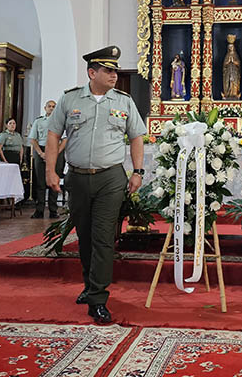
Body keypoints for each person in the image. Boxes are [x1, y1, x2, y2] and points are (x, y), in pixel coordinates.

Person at [46, 45, 146, 324]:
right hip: (77, 177)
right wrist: (51, 171)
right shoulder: (69, 100)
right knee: (85, 235)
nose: (114, 74)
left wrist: (138, 171)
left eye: (115, 70)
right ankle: (90, 285)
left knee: (103, 236)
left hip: (110, 178)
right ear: (92, 72)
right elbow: (53, 134)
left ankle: (98, 298)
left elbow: (136, 136)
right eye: (108, 70)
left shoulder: (124, 101)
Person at [28, 100, 66, 219]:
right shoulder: (38, 121)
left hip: (57, 150)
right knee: (40, 182)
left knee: (54, 182)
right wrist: (40, 152)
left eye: (54, 107)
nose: (51, 108)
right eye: (49, 106)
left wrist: (56, 153)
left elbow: (65, 139)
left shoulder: (61, 122)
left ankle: (53, 210)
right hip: (42, 151)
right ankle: (39, 210)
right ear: (45, 108)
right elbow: (33, 139)